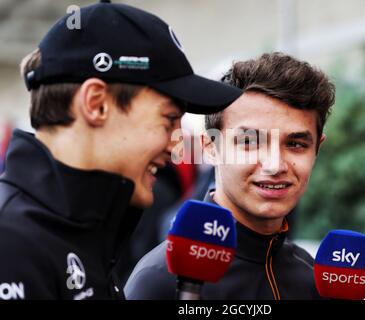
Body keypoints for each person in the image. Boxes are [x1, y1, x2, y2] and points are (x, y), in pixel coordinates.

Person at [0, 0, 241, 300]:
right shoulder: (12, 245)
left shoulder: (86, 229)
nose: (179, 144)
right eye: (169, 119)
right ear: (96, 104)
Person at [125, 52, 336, 300]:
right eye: (249, 142)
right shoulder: (160, 280)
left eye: (296, 144)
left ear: (317, 150)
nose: (275, 164)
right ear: (210, 147)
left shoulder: (316, 281)